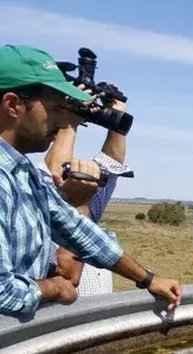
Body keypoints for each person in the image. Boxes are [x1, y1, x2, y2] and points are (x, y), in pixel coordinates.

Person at [0, 44, 181, 318]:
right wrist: (54, 288)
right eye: (56, 109)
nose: (63, 121)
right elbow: (3, 292)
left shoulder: (23, 173)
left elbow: (77, 231)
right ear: (13, 105)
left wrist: (148, 279)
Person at [40, 86, 131, 295]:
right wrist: (70, 121)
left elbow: (111, 164)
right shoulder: (43, 201)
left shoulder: (86, 205)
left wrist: (117, 121)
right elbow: (54, 176)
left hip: (99, 321)